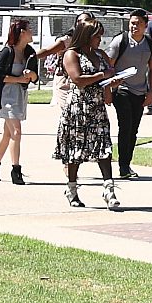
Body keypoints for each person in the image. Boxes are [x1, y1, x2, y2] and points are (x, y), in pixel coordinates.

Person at [53, 19, 120, 209]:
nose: (100, 39)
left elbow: (110, 73)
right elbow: (78, 80)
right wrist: (102, 76)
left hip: (97, 109)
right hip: (78, 109)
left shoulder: (100, 54)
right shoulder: (71, 54)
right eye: (97, 36)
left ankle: (109, 190)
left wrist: (113, 81)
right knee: (75, 152)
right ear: (86, 36)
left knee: (104, 149)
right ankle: (72, 189)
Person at [0, 18, 37, 185]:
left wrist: (31, 75)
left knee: (8, 135)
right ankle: (16, 170)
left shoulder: (30, 52)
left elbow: (36, 77)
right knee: (16, 132)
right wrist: (19, 79)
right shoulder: (7, 52)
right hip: (6, 96)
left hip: (20, 96)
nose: (32, 32)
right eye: (29, 29)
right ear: (22, 33)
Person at [108, 10, 152, 179]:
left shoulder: (149, 44)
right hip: (122, 90)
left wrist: (151, 92)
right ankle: (123, 166)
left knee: (133, 130)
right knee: (125, 125)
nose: (134, 26)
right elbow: (109, 65)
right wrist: (110, 86)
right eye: (132, 23)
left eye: (138, 23)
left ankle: (127, 164)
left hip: (140, 91)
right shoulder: (120, 41)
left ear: (145, 25)